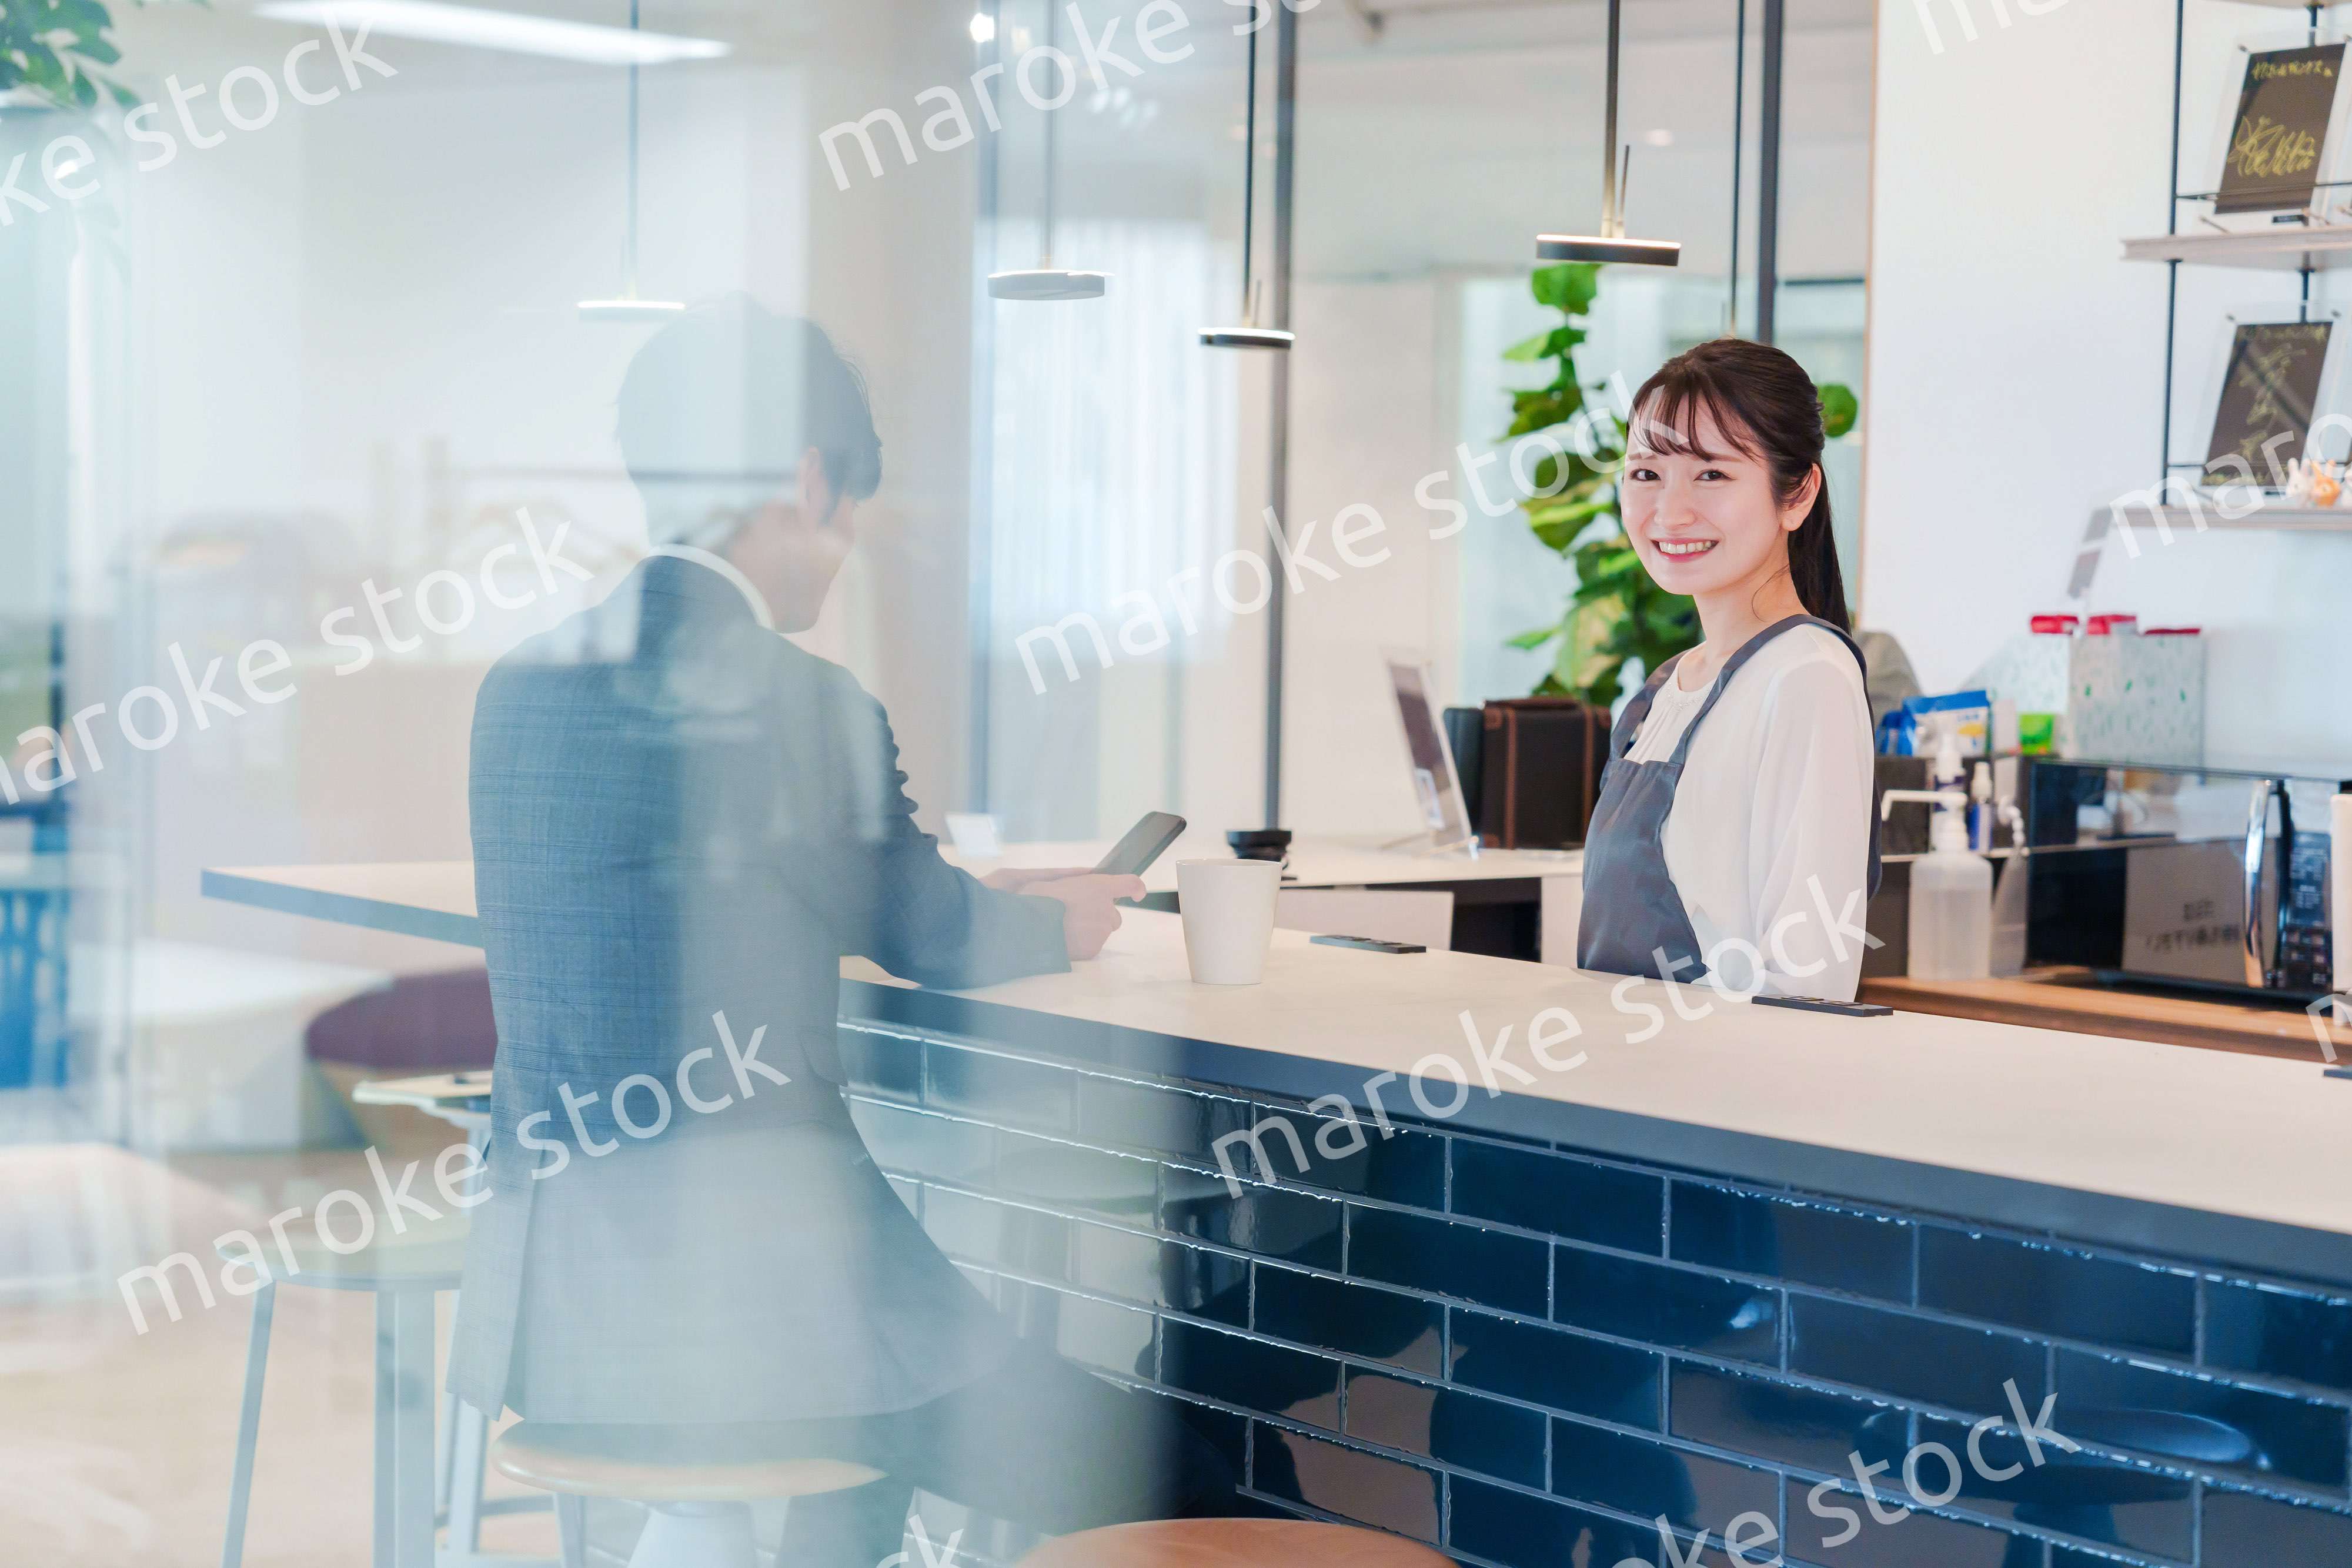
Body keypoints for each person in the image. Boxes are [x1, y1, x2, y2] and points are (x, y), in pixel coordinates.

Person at [449, 296, 1235, 1563]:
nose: (845, 543)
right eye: (852, 507)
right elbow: (933, 936)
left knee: (854, 1489)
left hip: (568, 1316)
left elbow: (758, 885)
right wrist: (1058, 920)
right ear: (809, 480)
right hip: (766, 1315)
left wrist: (978, 901)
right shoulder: (793, 697)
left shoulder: (521, 681)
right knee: (1186, 1475)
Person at [1574, 337, 1879, 1002]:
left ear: (1795, 496)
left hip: (1714, 1094)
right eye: (1646, 474)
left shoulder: (1806, 677)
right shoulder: (1665, 689)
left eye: (1711, 475)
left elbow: (1809, 980)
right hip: (1614, 1082)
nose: (1670, 511)